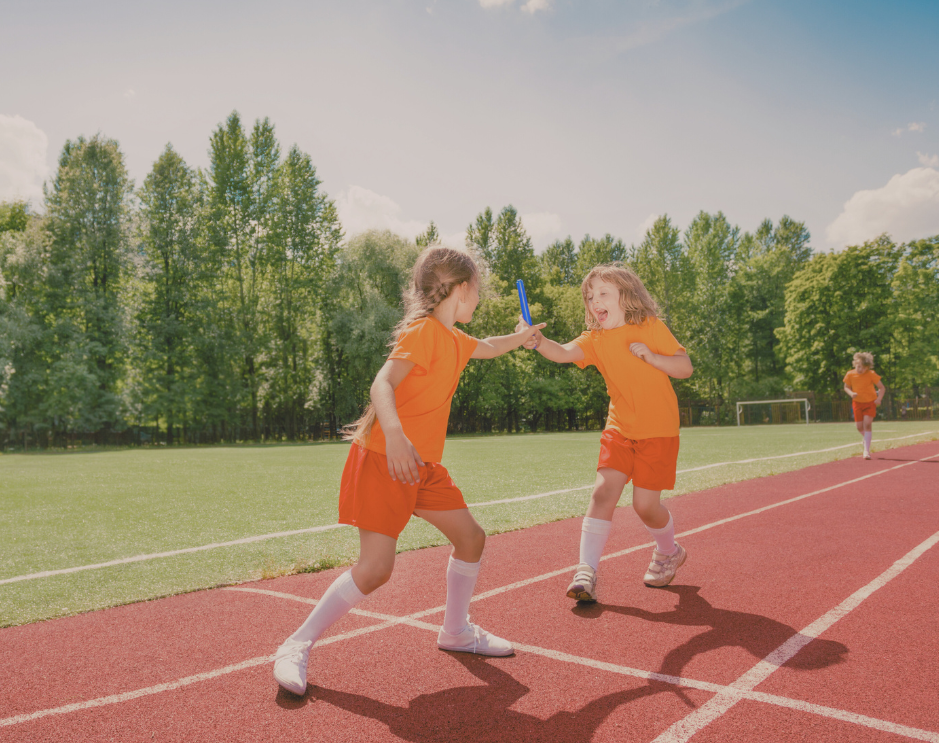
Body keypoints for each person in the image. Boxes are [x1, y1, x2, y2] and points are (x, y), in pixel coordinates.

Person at [272, 246, 545, 696]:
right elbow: (383, 382)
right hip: (385, 457)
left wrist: (523, 336)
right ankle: (295, 644)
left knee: (471, 538)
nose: (480, 298)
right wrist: (396, 434)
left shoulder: (454, 338)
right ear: (460, 289)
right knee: (376, 569)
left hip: (422, 467)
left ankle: (455, 632)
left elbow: (491, 347)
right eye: (477, 289)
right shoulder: (423, 331)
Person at [522, 262, 693, 603]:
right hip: (619, 429)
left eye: (603, 293)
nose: (594, 300)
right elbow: (563, 352)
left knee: (645, 506)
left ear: (626, 296)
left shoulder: (650, 326)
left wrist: (653, 357)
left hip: (658, 431)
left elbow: (685, 368)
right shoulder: (595, 339)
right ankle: (586, 570)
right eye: (589, 296)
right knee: (602, 493)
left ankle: (668, 550)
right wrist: (538, 341)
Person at [842, 352, 885, 460]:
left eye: (864, 368)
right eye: (859, 366)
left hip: (870, 402)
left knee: (867, 424)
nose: (861, 369)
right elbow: (846, 387)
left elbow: (882, 388)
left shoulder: (871, 374)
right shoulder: (850, 374)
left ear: (867, 368)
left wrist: (879, 398)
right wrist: (851, 394)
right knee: (859, 427)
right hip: (857, 403)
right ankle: (866, 439)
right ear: (855, 363)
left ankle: (866, 451)